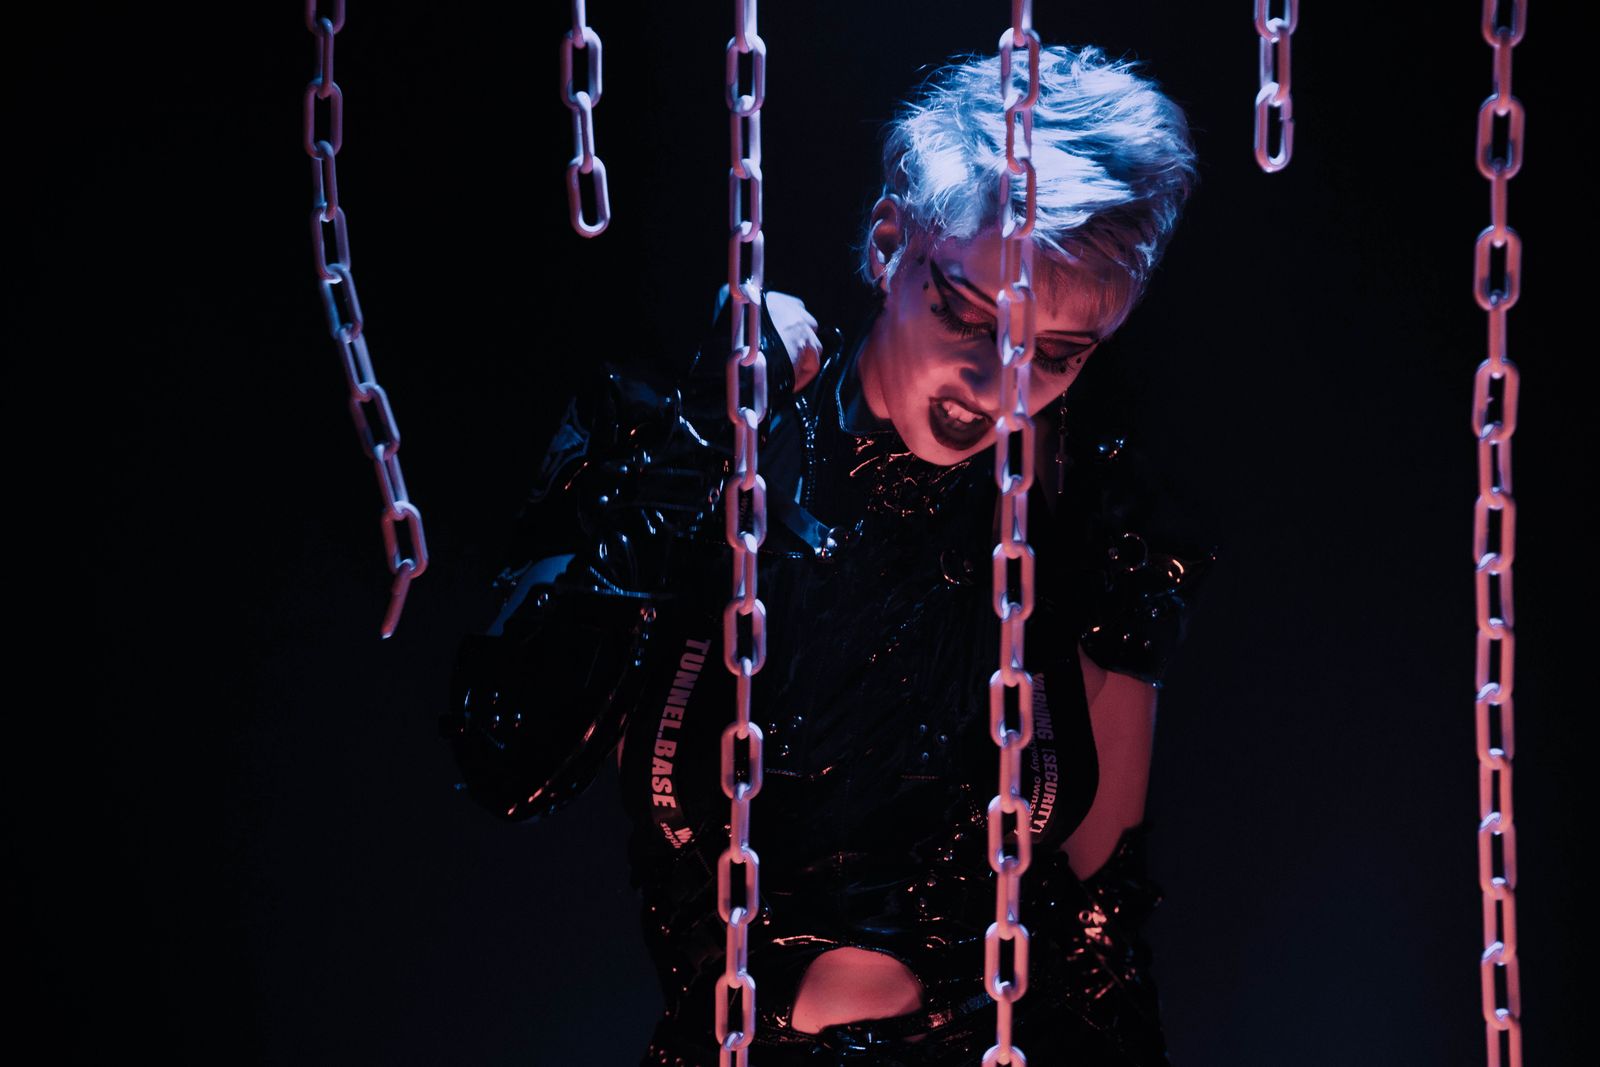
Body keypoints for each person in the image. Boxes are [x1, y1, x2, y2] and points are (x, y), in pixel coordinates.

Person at [440, 43, 1216, 1066]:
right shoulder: (692, 445)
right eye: (964, 312)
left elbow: (1100, 930)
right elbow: (511, 757)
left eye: (1055, 354)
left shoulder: (1086, 519)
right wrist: (699, 441)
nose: (995, 385)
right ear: (890, 242)